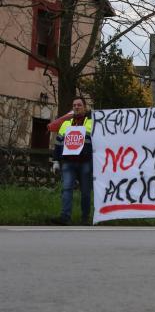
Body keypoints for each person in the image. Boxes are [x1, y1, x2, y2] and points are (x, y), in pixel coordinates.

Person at [49, 97, 93, 226]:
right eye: (74, 105)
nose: (76, 107)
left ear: (84, 107)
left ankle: (85, 218)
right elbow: (58, 143)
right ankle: (65, 217)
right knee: (66, 189)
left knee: (85, 191)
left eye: (79, 105)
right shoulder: (66, 124)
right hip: (68, 162)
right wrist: (55, 161)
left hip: (85, 161)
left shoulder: (92, 122)